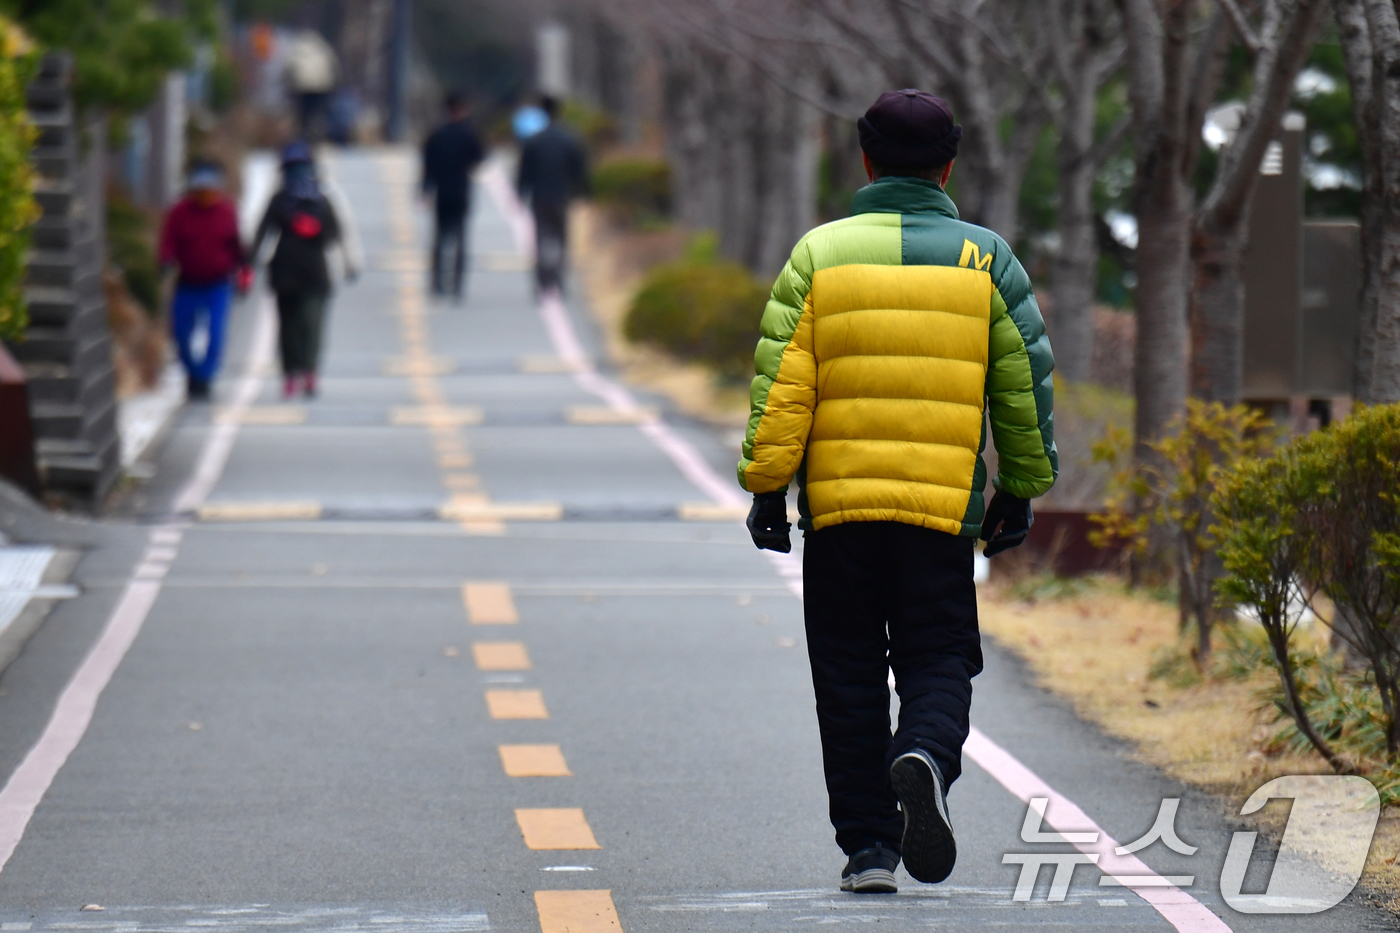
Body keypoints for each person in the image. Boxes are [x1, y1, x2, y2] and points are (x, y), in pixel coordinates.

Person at [737, 90, 1056, 894]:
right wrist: (1018, 487)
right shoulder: (989, 261)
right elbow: (1023, 389)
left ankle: (869, 848)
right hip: (938, 512)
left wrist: (769, 487)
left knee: (845, 674)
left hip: (841, 514)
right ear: (949, 165)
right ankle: (925, 754)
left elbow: (783, 388)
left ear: (866, 161)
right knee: (940, 655)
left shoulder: (818, 255)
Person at [251, 143, 359, 400]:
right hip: (287, 274)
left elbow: (338, 232)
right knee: (290, 327)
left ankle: (308, 372)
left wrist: (348, 261)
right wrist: (248, 262)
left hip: (313, 274)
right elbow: (263, 232)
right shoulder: (280, 200)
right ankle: (291, 373)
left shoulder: (322, 200)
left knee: (310, 325)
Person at [159, 161, 247, 400]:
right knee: (181, 333)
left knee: (215, 332)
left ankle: (206, 376)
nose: (205, 195)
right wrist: (165, 260)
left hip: (218, 284)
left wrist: (244, 272)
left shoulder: (226, 211)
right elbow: (168, 241)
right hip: (188, 283)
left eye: (210, 190)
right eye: (201, 190)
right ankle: (193, 372)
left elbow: (236, 245)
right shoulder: (179, 212)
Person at [515, 96, 588, 293]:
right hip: (561, 196)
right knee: (561, 239)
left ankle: (542, 281)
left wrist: (520, 194)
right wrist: (582, 193)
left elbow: (524, 172)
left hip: (539, 197)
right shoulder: (569, 139)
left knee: (540, 239)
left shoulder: (533, 141)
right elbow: (579, 169)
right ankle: (558, 279)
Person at [421, 92, 484, 299]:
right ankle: (457, 284)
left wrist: (424, 190)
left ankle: (437, 282)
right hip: (460, 191)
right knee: (460, 239)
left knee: (440, 238)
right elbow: (480, 159)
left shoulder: (437, 134)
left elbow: (427, 166)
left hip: (441, 192)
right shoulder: (469, 134)